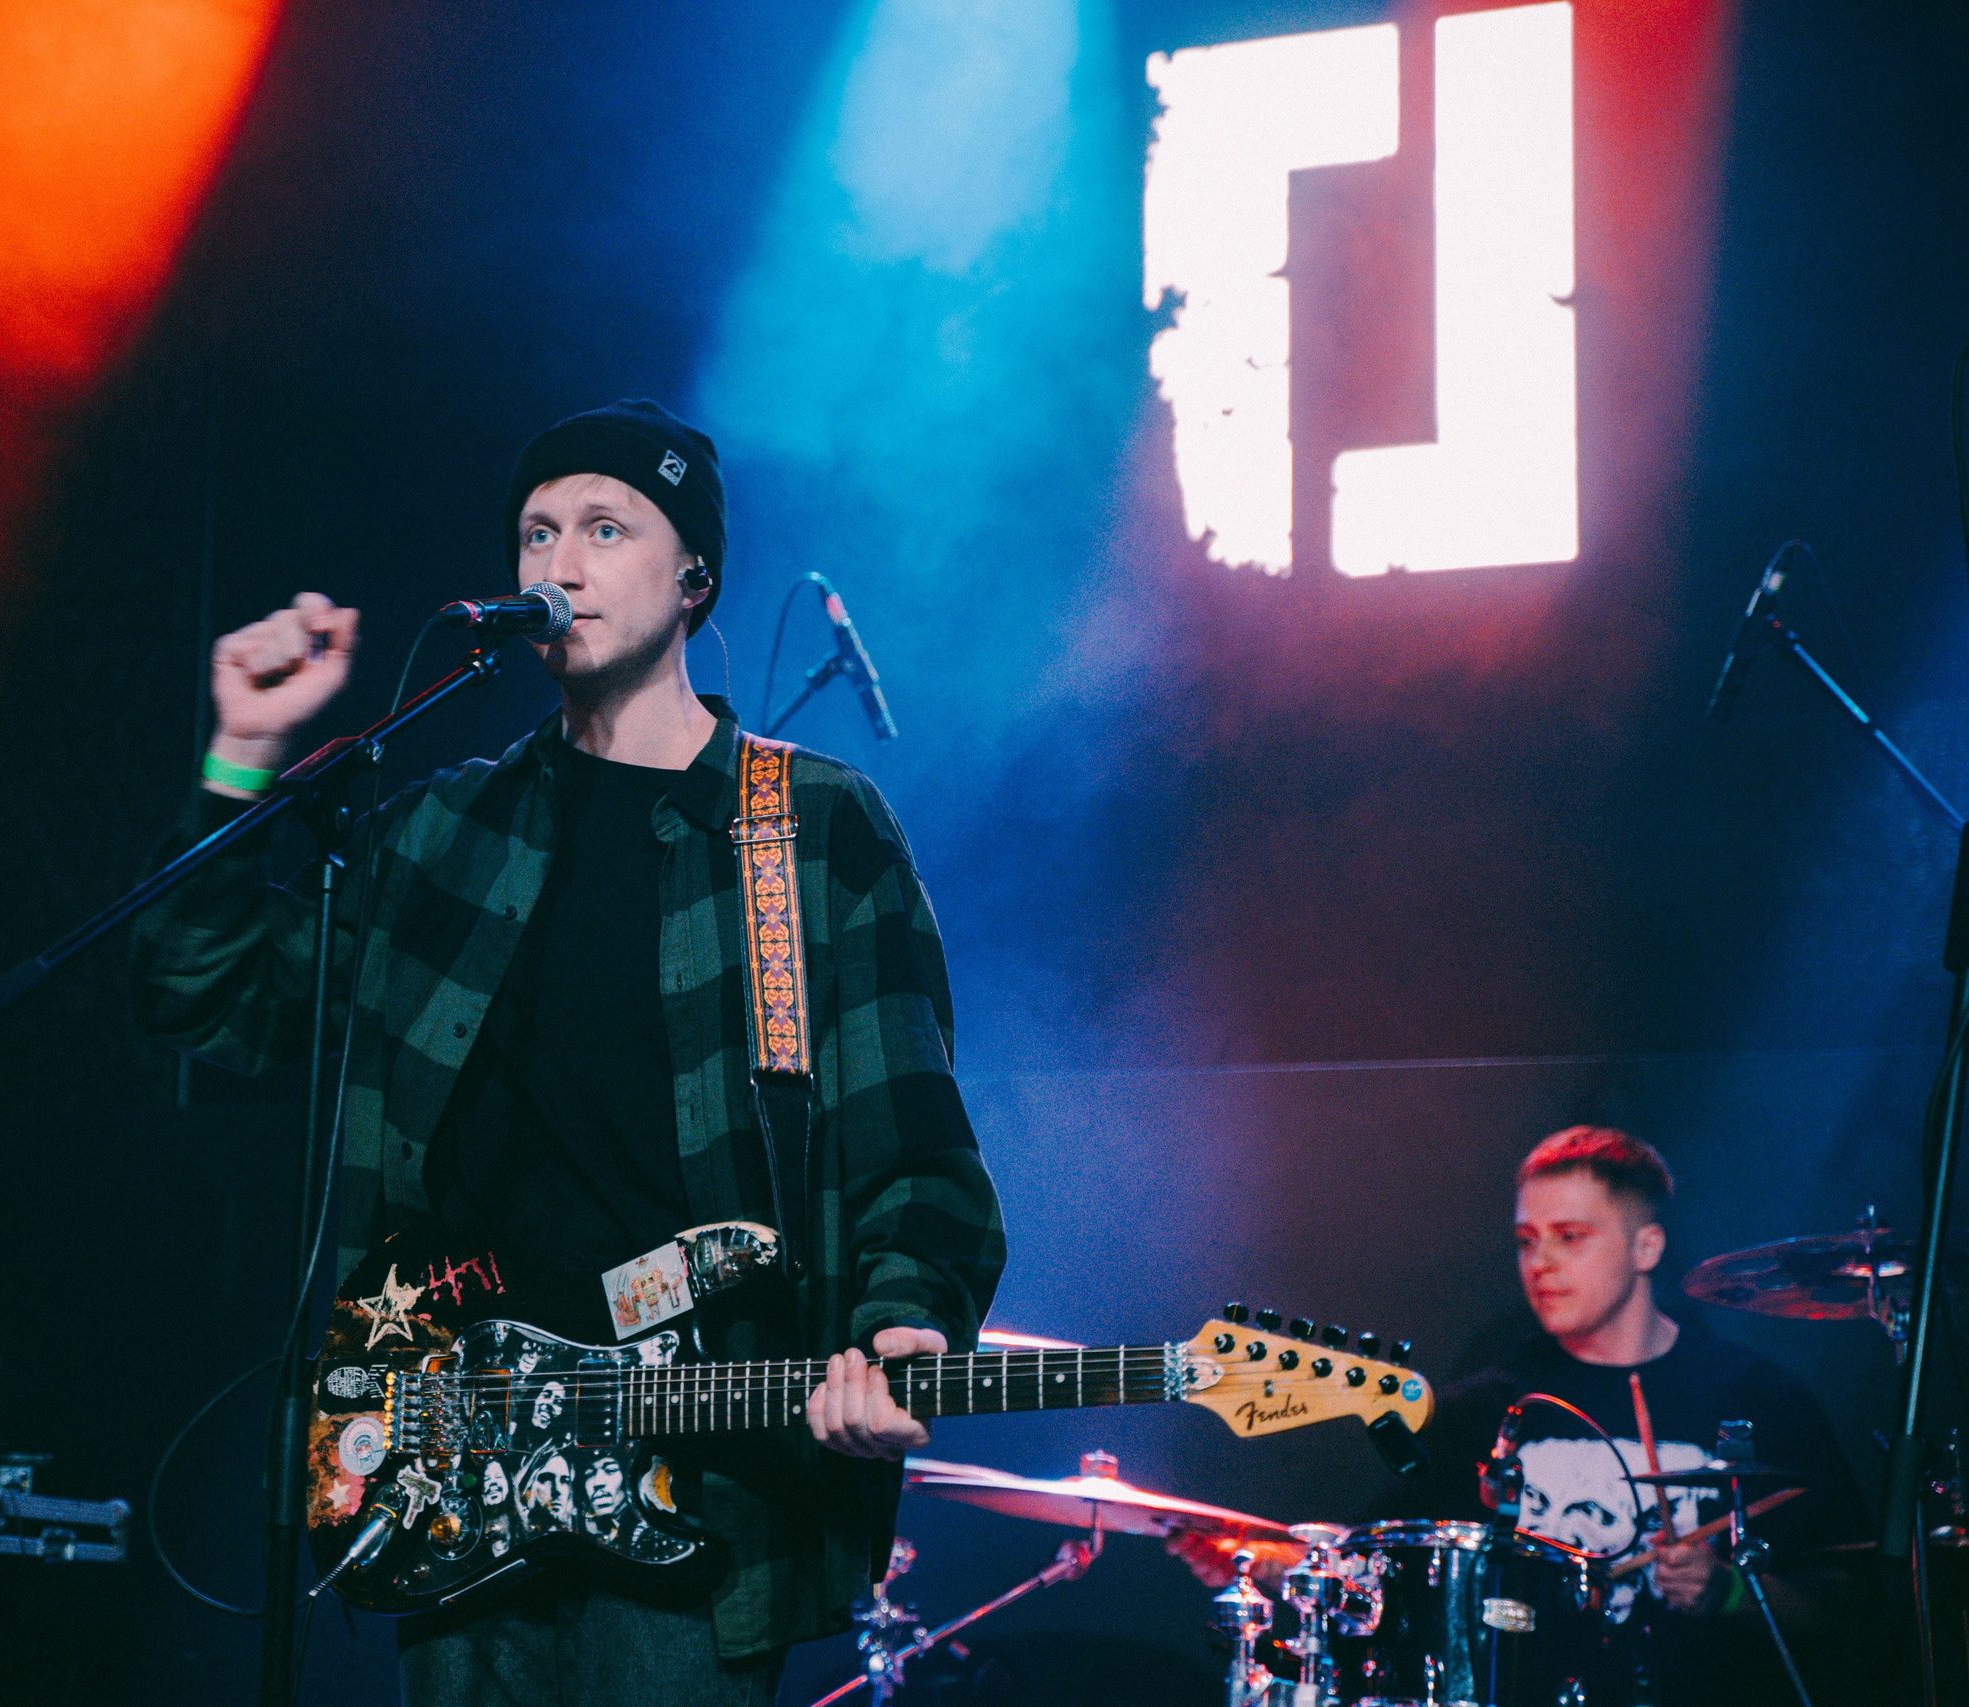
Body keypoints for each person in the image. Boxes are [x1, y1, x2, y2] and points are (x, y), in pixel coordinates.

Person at [131, 400, 1006, 1707]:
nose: (562, 562)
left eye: (606, 526)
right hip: (457, 1455)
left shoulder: (805, 826)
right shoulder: (440, 831)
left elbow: (914, 1144)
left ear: (693, 576)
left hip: (699, 1477)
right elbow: (211, 998)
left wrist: (898, 1322)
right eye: (538, 531)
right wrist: (244, 754)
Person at [1170, 1126, 1870, 1705]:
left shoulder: (1758, 1398)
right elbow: (1376, 1565)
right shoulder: (1486, 1403)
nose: (1540, 1262)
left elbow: (1856, 1607)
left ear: (1646, 1246)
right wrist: (1263, 1563)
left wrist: (1729, 1591)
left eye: (1570, 1236)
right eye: (1527, 1239)